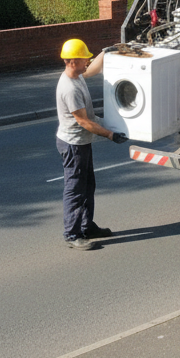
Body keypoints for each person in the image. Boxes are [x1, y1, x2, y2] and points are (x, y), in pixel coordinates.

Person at [55, 38, 127, 250]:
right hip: (73, 145)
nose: (87, 62)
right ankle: (72, 233)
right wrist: (110, 134)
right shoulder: (70, 88)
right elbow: (84, 122)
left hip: (80, 143)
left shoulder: (76, 75)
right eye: (84, 59)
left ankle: (87, 226)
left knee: (87, 186)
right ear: (72, 61)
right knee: (75, 189)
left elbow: (92, 69)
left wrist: (105, 52)